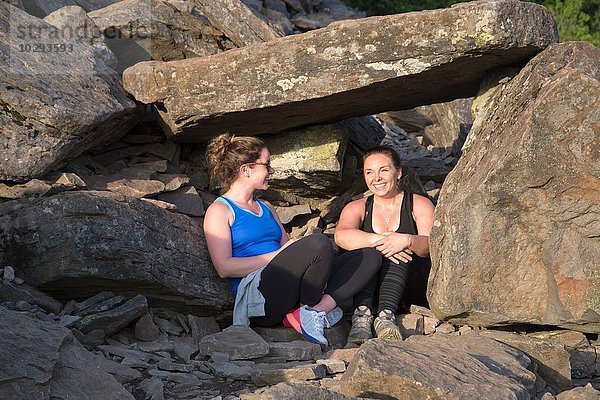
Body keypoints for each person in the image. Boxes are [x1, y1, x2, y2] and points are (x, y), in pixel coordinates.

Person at [203, 133, 381, 346]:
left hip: (288, 286)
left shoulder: (266, 207)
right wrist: (278, 256)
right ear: (246, 170)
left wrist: (291, 251)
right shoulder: (220, 210)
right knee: (319, 243)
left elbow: (286, 247)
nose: (271, 171)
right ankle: (310, 309)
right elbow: (224, 267)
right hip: (260, 297)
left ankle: (312, 312)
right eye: (266, 165)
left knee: (369, 255)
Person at [334, 145, 435, 343]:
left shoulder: (419, 204)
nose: (376, 178)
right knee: (369, 252)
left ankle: (386, 317)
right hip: (368, 286)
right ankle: (361, 317)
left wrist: (407, 240)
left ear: (399, 172)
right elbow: (341, 236)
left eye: (384, 170)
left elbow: (430, 246)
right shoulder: (357, 207)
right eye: (369, 172)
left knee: (402, 247)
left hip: (408, 286)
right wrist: (382, 241)